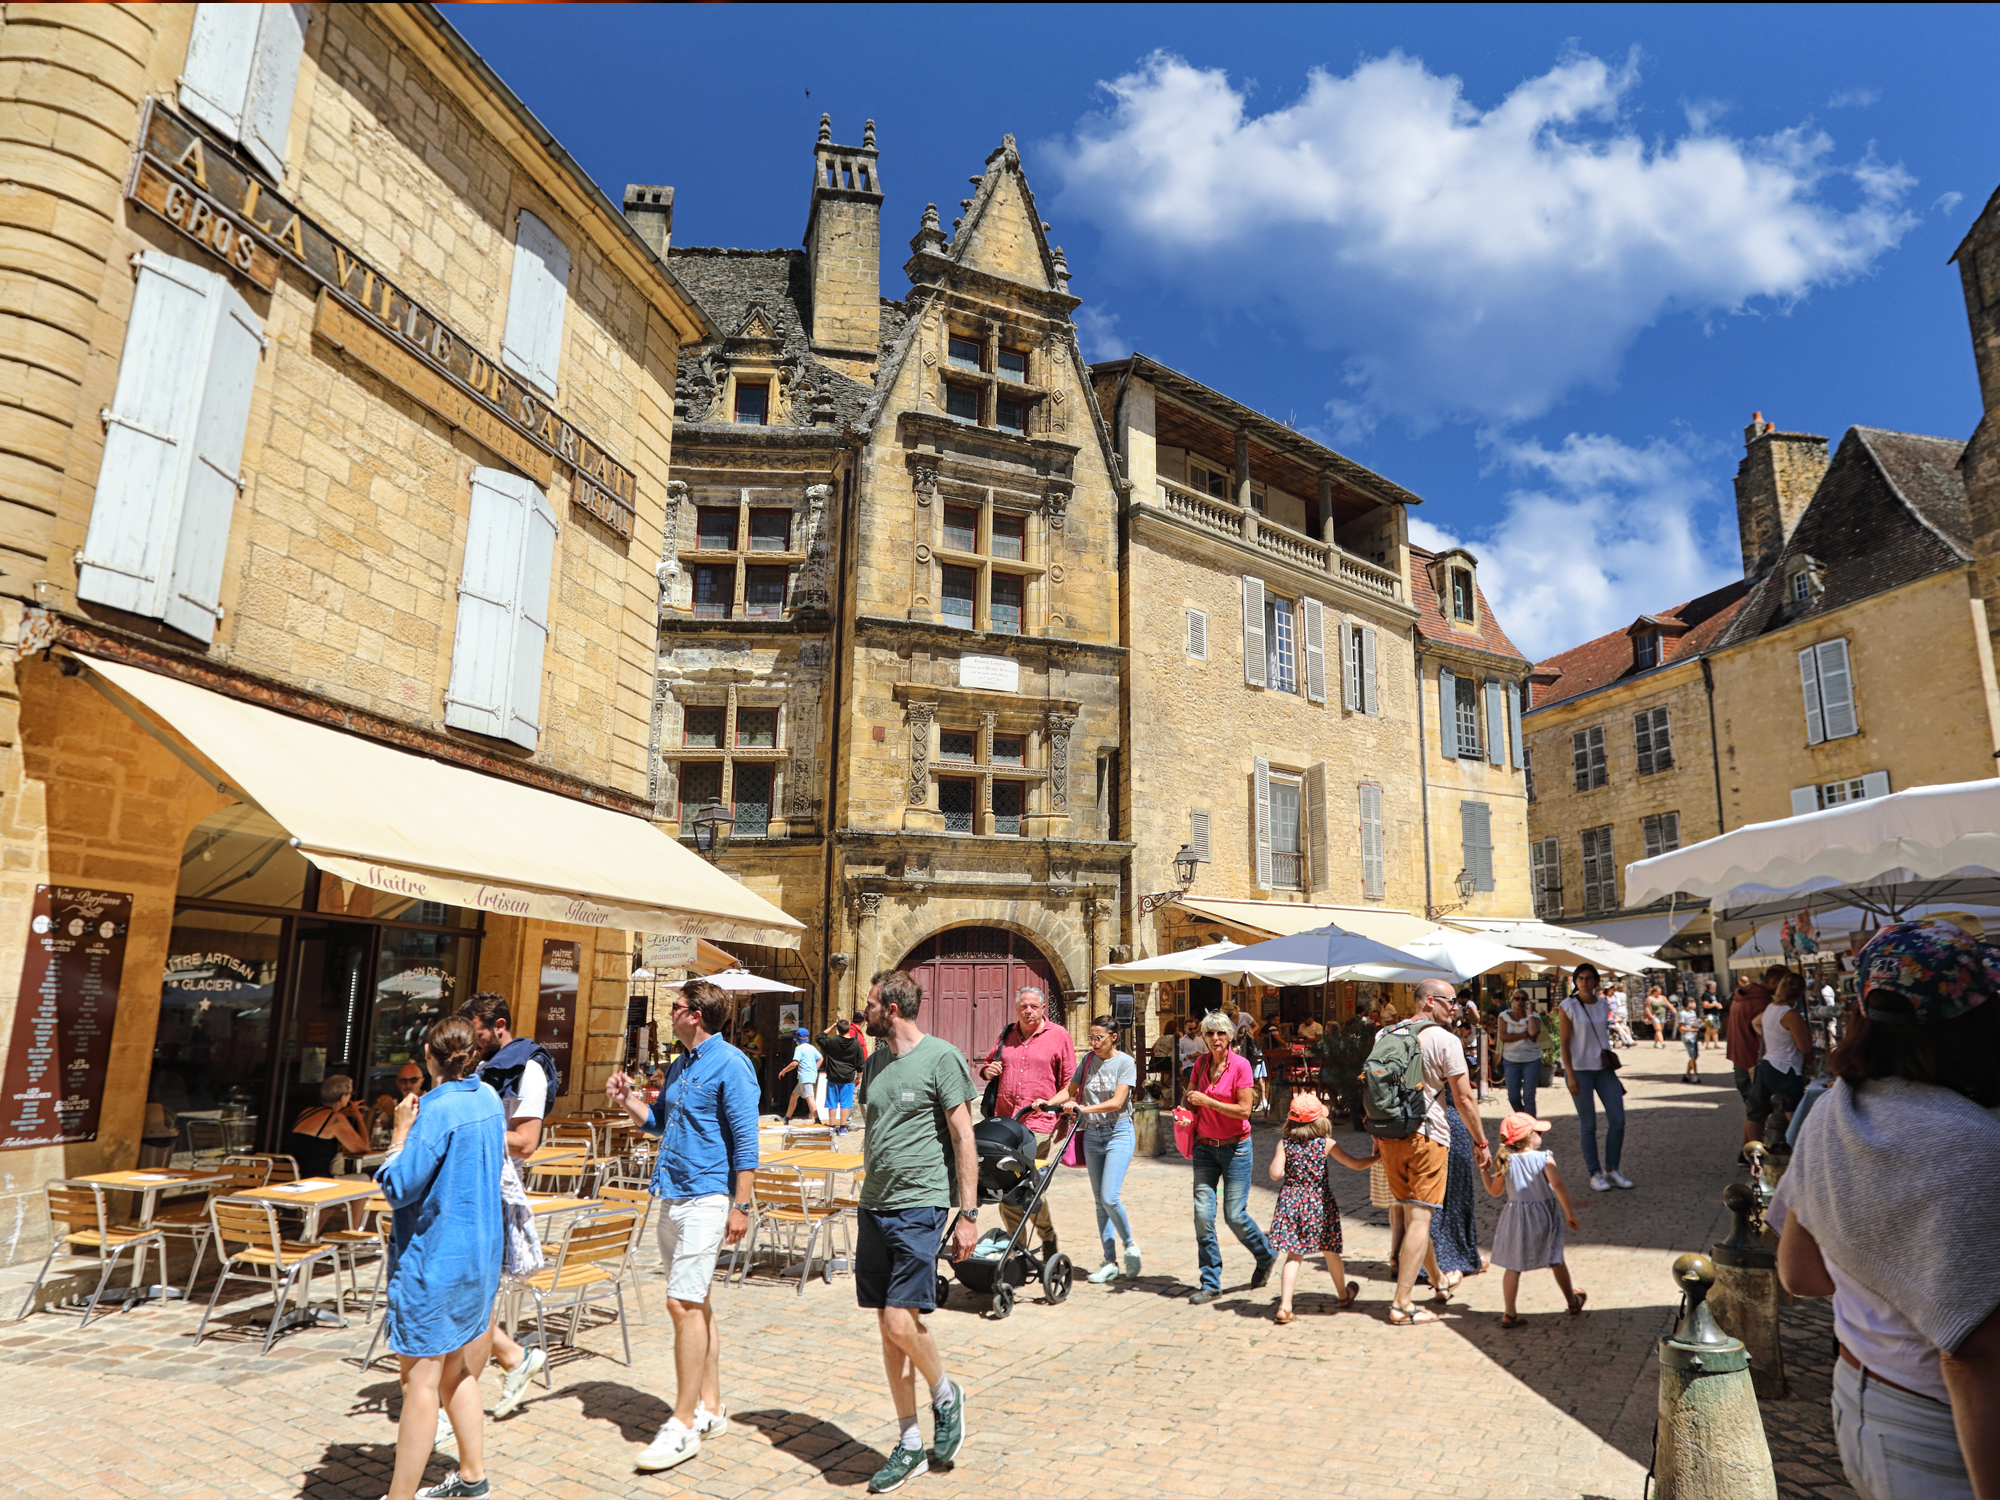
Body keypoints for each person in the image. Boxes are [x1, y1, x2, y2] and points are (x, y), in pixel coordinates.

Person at [1774, 920, 2000, 1500]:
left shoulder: (1834, 1110)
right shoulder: (1975, 1145)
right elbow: (1974, 1359)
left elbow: (1799, 1274)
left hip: (1859, 1400)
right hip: (1949, 1432)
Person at [605, 978, 759, 1473]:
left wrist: (742, 1205)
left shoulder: (732, 1064)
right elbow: (659, 1122)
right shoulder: (679, 1065)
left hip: (709, 1196)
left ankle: (683, 1421)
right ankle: (712, 1407)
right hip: (671, 1193)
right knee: (697, 1302)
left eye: (676, 1007)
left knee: (681, 1302)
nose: (669, 1013)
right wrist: (628, 1099)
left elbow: (745, 1140)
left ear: (696, 1015)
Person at [855, 970, 979, 1495]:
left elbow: (963, 1137)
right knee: (888, 1330)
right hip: (874, 1206)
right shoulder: (875, 1060)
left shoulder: (942, 1058)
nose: (864, 1010)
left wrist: (968, 1213)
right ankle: (908, 1443)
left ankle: (946, 1394)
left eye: (870, 1003)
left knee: (901, 1324)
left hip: (920, 1207)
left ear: (893, 1009)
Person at [377, 1014, 505, 1500]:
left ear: (430, 1057)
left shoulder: (434, 1111)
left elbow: (399, 1186)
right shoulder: (489, 1098)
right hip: (479, 1254)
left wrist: (398, 1133)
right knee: (457, 1372)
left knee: (420, 1381)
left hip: (436, 1258)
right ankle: (473, 1477)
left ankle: (400, 1496)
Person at [460, 993, 556, 1425]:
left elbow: (527, 1142)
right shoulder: (482, 1067)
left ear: (499, 1025)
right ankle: (515, 1358)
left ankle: (455, 1406)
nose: (471, 1040)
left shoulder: (528, 1069)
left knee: (479, 1298)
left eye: (476, 1032)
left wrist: (466, 1131)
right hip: (473, 1186)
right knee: (468, 1295)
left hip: (499, 1192)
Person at [1375, 979, 1492, 1325]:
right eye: (1449, 1001)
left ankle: (1439, 1280)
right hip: (1427, 1135)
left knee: (1414, 1216)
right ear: (1428, 1002)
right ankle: (1402, 1304)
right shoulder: (1446, 1040)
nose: (1455, 1007)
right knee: (1421, 1217)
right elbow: (1465, 1099)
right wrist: (1481, 1141)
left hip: (1389, 1134)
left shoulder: (1385, 1036)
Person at [1032, 1014, 1140, 1283]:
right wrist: (1047, 1103)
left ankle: (1130, 1246)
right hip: (1092, 1134)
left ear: (1113, 1037)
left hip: (1119, 1132)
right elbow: (1070, 1090)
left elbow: (1117, 1102)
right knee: (1099, 1201)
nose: (1093, 1042)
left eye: (1098, 1038)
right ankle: (1109, 1261)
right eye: (1090, 1037)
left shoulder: (1125, 1063)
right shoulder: (1088, 1060)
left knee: (1109, 1197)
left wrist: (1083, 1109)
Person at [1184, 1011, 1273, 1305]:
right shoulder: (1200, 1064)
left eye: (1221, 1033)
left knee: (1234, 1215)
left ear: (1231, 1035)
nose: (1215, 1039)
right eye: (1209, 1034)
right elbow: (1190, 1099)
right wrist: (1186, 1110)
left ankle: (1265, 1254)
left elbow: (1245, 1111)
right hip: (1204, 1147)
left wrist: (1209, 1101)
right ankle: (1210, 1282)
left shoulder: (1242, 1066)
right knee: (1202, 1216)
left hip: (1236, 1148)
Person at [976, 985, 1072, 1256]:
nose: (1028, 1011)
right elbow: (988, 1065)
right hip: (1005, 1121)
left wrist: (1061, 1115)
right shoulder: (1007, 1033)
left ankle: (1020, 1244)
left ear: (1043, 1008)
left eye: (1033, 1006)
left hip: (1039, 1123)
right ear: (1016, 1009)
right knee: (1020, 1187)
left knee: (1014, 1186)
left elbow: (1069, 1080)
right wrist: (987, 1071)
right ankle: (1035, 1240)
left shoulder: (1059, 1036)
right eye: (1023, 1007)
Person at [1266, 1093, 1375, 1323]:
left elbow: (1275, 1174)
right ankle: (1344, 1295)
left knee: (1294, 1255)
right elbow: (1355, 1164)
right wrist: (1377, 1159)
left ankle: (1285, 1306)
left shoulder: (1284, 1144)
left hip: (1291, 1201)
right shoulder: (1325, 1144)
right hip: (1319, 1203)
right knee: (1330, 1250)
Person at [1482, 1111, 1584, 1328]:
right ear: (1528, 1137)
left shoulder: (1505, 1159)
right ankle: (1572, 1301)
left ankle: (1509, 1312)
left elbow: (1494, 1191)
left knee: (1513, 1265)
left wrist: (1483, 1170)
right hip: (1545, 1215)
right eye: (1537, 1131)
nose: (1541, 1135)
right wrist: (1570, 1214)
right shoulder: (1544, 1157)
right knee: (1555, 1257)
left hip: (1516, 1216)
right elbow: (1557, 1184)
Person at [1557, 964, 1633, 1192]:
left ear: (1596, 981)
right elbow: (1564, 1042)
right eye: (1579, 978)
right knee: (1588, 1124)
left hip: (1603, 1069)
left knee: (1618, 1119)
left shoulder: (1603, 1004)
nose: (1584, 982)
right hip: (1579, 1069)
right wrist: (1569, 1074)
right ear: (1575, 981)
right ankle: (1595, 1172)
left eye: (1588, 978)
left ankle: (1613, 1169)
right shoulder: (1568, 1006)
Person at [1727, 967, 1782, 1162]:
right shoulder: (1761, 1002)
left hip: (1740, 1057)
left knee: (1752, 1108)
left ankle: (1746, 1151)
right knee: (1756, 1110)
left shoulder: (1743, 995)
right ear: (1775, 982)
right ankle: (1752, 1154)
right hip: (1752, 1060)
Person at [1756, 973, 1816, 1135]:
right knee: (1794, 1116)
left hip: (1771, 1065)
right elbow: (1805, 1046)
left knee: (1783, 1115)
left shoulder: (1771, 1008)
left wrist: (1773, 1041)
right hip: (1785, 1067)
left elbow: (1755, 1022)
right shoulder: (1790, 1014)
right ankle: (1796, 1150)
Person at [287, 1074, 370, 1178]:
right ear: (342, 1097)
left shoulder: (306, 1112)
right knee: (364, 1178)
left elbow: (322, 1122)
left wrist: (345, 1112)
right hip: (317, 1181)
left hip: (296, 1177)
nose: (350, 1098)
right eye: (350, 1094)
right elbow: (363, 1147)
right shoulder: (336, 1118)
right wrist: (358, 1117)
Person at [818, 1017, 864, 1139]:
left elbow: (819, 1038)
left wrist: (832, 1026)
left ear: (838, 1029)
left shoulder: (832, 1042)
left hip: (833, 1077)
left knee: (832, 1103)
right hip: (848, 1078)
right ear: (849, 1029)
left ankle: (832, 1127)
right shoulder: (856, 1044)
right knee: (846, 1104)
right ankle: (843, 1128)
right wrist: (858, 1078)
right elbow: (860, 1063)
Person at [1498, 991, 1543, 1116]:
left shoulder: (1533, 1017)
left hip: (1531, 1060)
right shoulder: (1504, 1016)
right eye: (1517, 999)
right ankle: (1524, 1118)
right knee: (1513, 1097)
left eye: (1523, 999)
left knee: (1529, 1096)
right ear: (1512, 1001)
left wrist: (1531, 1013)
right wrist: (1524, 1034)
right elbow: (1504, 1037)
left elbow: (1533, 1034)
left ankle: (1530, 1129)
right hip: (1511, 1060)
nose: (1520, 1002)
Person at [779, 1028, 822, 1123]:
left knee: (809, 1098)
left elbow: (795, 1063)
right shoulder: (811, 1047)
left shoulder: (799, 1049)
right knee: (794, 1096)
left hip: (804, 1076)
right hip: (806, 1076)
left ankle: (817, 1119)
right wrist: (814, 1069)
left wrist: (784, 1070)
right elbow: (820, 1058)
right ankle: (787, 1118)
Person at [373, 1062, 427, 1136]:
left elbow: (419, 1133)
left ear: (421, 1081)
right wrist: (373, 1108)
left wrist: (392, 1113)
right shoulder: (395, 1103)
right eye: (403, 1081)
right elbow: (375, 1130)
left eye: (413, 1080)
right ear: (397, 1083)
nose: (408, 1085)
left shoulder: (430, 1102)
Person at [1678, 995, 1703, 1083]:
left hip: (1694, 1037)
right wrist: (1691, 1030)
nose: (1695, 1004)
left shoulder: (1693, 1013)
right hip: (1688, 1038)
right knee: (1693, 1056)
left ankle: (1687, 1075)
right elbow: (1681, 1027)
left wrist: (1700, 1030)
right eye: (1693, 1002)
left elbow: (1695, 1024)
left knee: (1695, 1056)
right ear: (1689, 1003)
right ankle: (1696, 1075)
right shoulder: (1682, 1014)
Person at [1701, 982, 1724, 1051]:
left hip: (1715, 1013)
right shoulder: (1706, 995)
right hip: (1709, 1014)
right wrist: (1715, 1005)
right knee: (1709, 1029)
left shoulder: (1713, 994)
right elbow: (1705, 1005)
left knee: (1715, 1029)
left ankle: (1716, 1044)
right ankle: (1707, 1045)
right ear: (1711, 987)